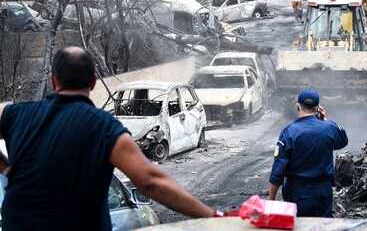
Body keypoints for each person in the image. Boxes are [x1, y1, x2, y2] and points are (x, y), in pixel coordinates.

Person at [0, 46, 217, 230]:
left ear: (53, 80)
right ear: (93, 82)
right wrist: (213, 216)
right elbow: (150, 182)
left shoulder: (15, 114)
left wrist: (7, 169)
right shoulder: (103, 127)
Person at [268, 88, 348, 217]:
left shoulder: (289, 131)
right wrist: (324, 119)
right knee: (322, 226)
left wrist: (271, 198)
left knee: (297, 225)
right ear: (318, 107)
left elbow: (278, 169)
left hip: (296, 192)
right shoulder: (329, 128)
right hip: (322, 191)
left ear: (297, 106)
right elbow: (342, 141)